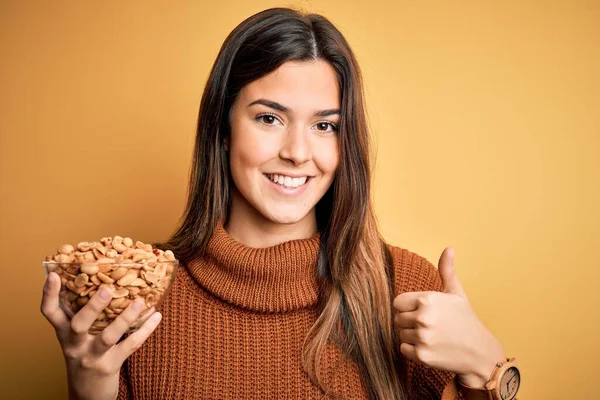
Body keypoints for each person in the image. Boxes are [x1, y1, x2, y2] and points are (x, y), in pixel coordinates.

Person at [40, 7, 520, 400]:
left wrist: (487, 365)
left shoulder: (408, 290)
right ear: (223, 131)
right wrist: (90, 387)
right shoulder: (138, 299)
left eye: (324, 125)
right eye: (269, 118)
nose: (297, 152)